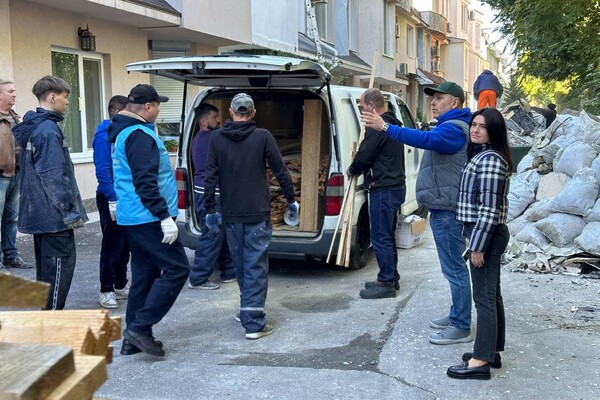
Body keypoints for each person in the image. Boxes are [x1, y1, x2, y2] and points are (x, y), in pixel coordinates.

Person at [362, 81, 473, 345]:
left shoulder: (454, 130)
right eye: (432, 99)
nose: (432, 103)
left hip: (449, 210)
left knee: (454, 270)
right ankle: (458, 314)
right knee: (452, 269)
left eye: (439, 98)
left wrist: (385, 126)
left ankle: (461, 325)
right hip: (443, 208)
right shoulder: (451, 126)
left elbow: (424, 139)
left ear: (455, 102)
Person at [203, 93, 297, 340]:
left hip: (231, 212)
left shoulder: (216, 138)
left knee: (241, 262)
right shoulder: (262, 137)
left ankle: (247, 309)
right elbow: (280, 170)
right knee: (255, 263)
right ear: (253, 113)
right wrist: (291, 199)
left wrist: (210, 208)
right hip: (257, 210)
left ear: (231, 113)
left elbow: (210, 175)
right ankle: (254, 322)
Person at [108, 84, 189, 357]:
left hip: (135, 216)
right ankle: (140, 328)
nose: (158, 111)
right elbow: (145, 182)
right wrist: (164, 216)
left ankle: (132, 340)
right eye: (157, 106)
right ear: (148, 107)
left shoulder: (125, 133)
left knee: (144, 276)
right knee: (177, 269)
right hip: (148, 217)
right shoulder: (140, 135)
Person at [12, 75, 88, 310]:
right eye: (65, 97)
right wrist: (70, 212)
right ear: (52, 97)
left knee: (47, 275)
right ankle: (51, 327)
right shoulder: (47, 130)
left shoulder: (36, 127)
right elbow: (53, 176)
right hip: (54, 218)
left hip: (42, 215)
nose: (67, 102)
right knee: (57, 274)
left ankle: (46, 325)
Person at [447, 107, 512, 380]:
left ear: (493, 131)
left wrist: (477, 246)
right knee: (491, 295)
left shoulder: (491, 161)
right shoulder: (485, 156)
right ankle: (491, 350)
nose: (475, 129)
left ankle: (480, 361)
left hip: (485, 234)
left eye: (482, 126)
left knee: (483, 299)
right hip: (483, 233)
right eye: (474, 124)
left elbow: (488, 209)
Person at [347, 88, 405, 299]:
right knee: (387, 236)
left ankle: (386, 281)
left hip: (384, 188)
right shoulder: (393, 124)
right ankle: (391, 276)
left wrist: (353, 169)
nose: (362, 112)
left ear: (372, 107)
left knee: (380, 236)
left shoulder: (378, 127)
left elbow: (365, 155)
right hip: (395, 186)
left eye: (363, 107)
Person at [188, 103, 235, 290]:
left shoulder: (201, 138)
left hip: (208, 192)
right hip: (210, 194)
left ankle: (229, 271)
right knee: (212, 235)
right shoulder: (210, 138)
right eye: (215, 117)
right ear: (203, 121)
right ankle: (198, 278)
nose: (219, 120)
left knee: (220, 233)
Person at [93, 95, 130, 309]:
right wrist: (112, 199)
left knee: (125, 244)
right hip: (110, 196)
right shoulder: (103, 135)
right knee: (112, 245)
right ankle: (106, 290)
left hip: (124, 196)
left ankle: (120, 284)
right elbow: (103, 170)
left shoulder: (120, 133)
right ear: (117, 113)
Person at [0, 80, 32, 270]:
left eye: (15, 91)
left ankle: (11, 256)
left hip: (16, 174)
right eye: (10, 91)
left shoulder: (15, 117)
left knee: (12, 219)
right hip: (1, 175)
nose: (14, 95)